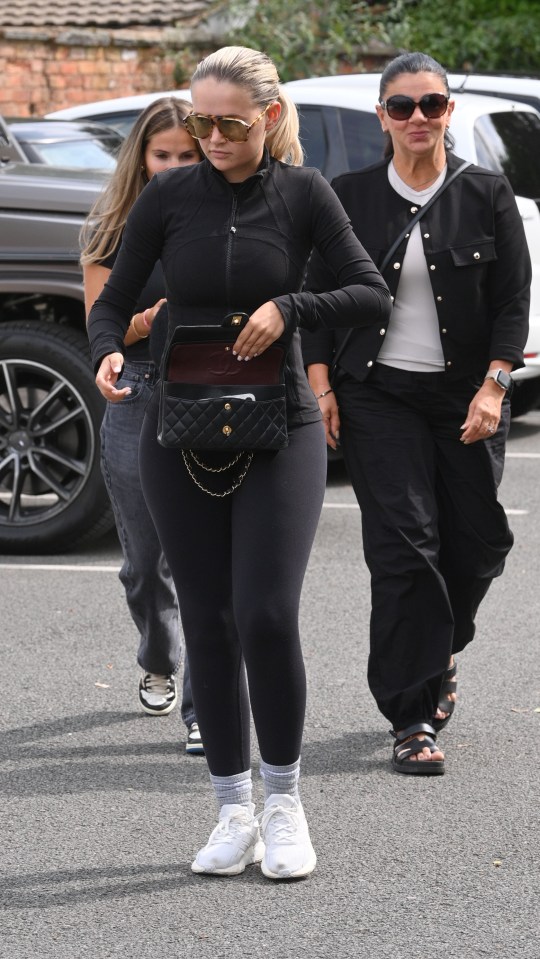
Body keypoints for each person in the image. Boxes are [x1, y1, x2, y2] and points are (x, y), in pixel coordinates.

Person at [86, 45, 391, 879]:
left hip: (281, 425)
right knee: (210, 622)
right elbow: (112, 301)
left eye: (229, 123)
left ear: (272, 117)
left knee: (263, 614)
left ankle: (285, 800)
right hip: (177, 427)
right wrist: (109, 351)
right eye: (197, 121)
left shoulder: (303, 195)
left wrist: (289, 305)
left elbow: (370, 292)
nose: (211, 136)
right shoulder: (170, 196)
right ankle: (231, 807)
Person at [302, 52, 531, 776]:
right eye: (402, 107)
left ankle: (443, 646)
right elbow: (315, 295)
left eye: (431, 104)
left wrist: (495, 385)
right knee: (403, 550)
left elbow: (512, 304)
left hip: (464, 394)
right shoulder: (350, 196)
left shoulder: (486, 192)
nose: (418, 119)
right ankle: (411, 714)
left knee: (480, 542)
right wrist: (322, 387)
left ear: (446, 111)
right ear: (382, 115)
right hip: (377, 394)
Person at [80, 97, 205, 755]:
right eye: (165, 155)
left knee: (205, 558)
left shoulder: (223, 214)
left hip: (212, 394)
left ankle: (201, 706)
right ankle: (159, 652)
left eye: (188, 154)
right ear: (142, 157)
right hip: (137, 393)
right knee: (146, 560)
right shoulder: (112, 227)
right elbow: (102, 324)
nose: (177, 166)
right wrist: (151, 318)